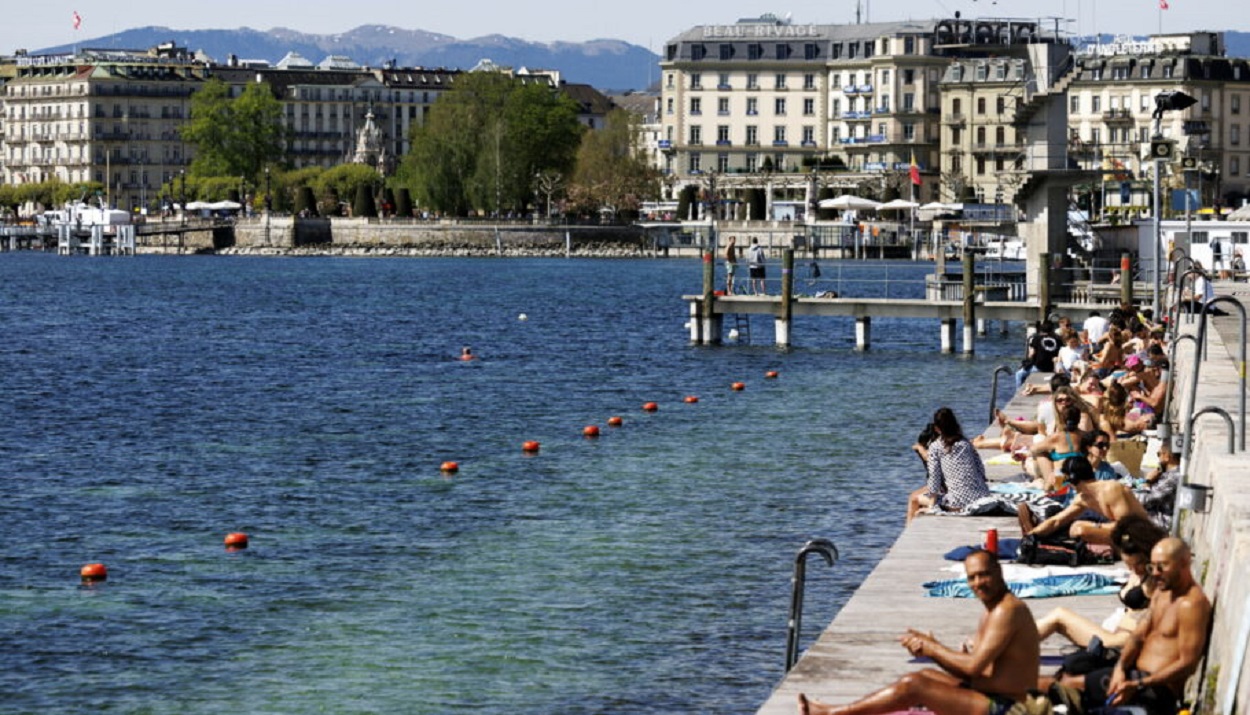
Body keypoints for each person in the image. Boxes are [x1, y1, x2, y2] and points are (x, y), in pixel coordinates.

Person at [797, 550, 1047, 715]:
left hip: (1009, 708)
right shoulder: (993, 609)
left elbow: (972, 669)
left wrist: (932, 648)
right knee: (926, 674)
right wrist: (933, 648)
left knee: (913, 685)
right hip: (993, 693)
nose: (978, 583)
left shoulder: (1007, 610)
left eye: (984, 575)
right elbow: (978, 671)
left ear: (999, 573)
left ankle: (832, 713)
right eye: (972, 578)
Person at [1055, 537, 1211, 715]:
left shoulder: (1191, 605)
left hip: (1157, 689)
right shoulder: (1162, 593)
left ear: (1184, 563)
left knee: (1066, 686)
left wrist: (1138, 685)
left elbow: (1187, 664)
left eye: (1161, 566)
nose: (1155, 573)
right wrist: (1120, 668)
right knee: (1073, 666)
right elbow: (1138, 636)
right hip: (1133, 673)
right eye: (1151, 567)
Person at [1036, 515, 1166, 651]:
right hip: (1115, 633)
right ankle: (1017, 641)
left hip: (1121, 643)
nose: (1134, 569)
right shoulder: (1139, 571)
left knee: (1059, 616)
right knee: (1059, 616)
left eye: (1139, 564)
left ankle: (1016, 641)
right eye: (1129, 565)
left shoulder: (1156, 578)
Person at [1021, 456, 1150, 546]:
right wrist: (1031, 536)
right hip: (1120, 535)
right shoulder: (1083, 498)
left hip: (1138, 536)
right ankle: (1037, 536)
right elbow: (1056, 521)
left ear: (1073, 479)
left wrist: (1092, 527)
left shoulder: (1111, 489)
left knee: (1079, 529)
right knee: (1070, 526)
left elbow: (1126, 526)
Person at [907, 407, 992, 523]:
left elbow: (934, 480)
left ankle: (910, 533)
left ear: (937, 429)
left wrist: (932, 508)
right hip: (982, 498)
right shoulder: (966, 443)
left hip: (958, 503)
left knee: (914, 499)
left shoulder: (936, 447)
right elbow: (981, 471)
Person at [1015, 320, 1061, 389]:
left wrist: (1028, 360)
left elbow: (1031, 353)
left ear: (1040, 329)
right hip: (1053, 367)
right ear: (1052, 329)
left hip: (1039, 367)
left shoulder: (1036, 338)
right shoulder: (1058, 339)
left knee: (1019, 374)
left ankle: (1018, 390)